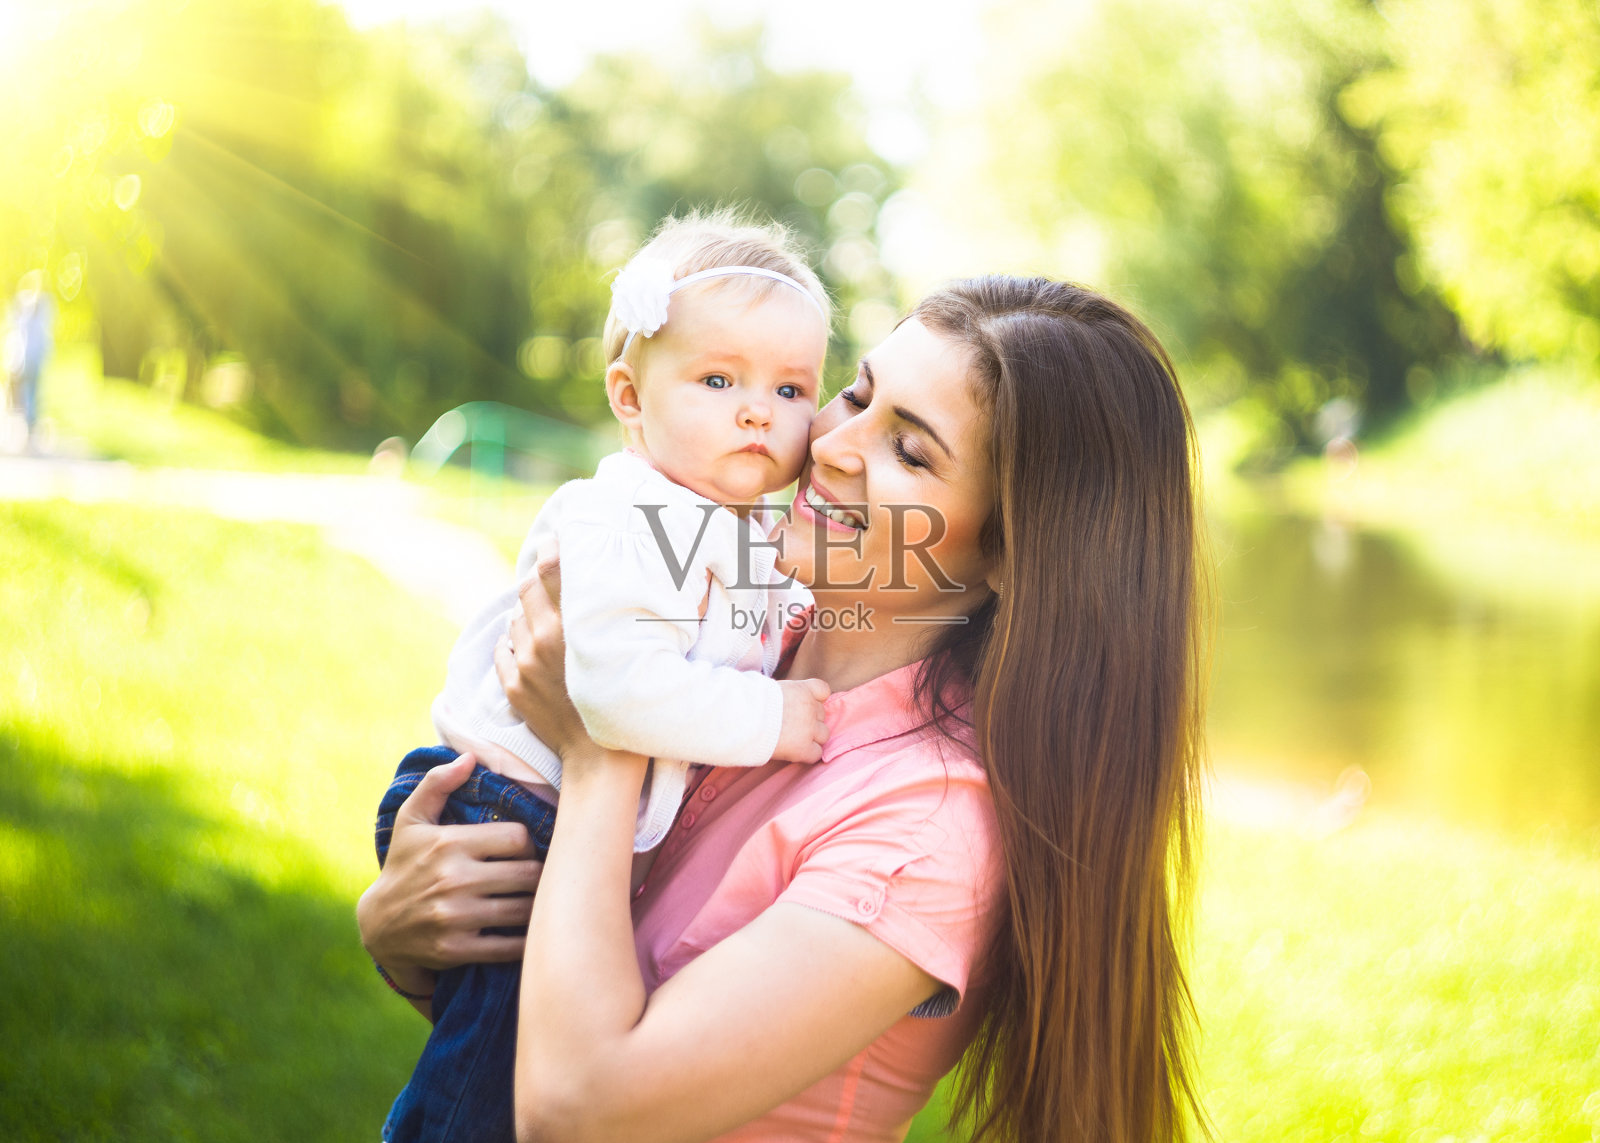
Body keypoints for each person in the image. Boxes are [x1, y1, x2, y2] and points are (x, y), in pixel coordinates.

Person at [359, 275, 1209, 1143]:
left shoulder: (927, 829)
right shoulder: (743, 642)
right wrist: (400, 933)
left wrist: (603, 739)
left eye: (910, 453)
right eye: (858, 393)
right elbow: (530, 1024)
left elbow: (578, 1105)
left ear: (1012, 551)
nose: (835, 443)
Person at [372, 213, 836, 1142]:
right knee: (489, 1080)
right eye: (718, 379)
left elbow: (760, 615)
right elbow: (618, 696)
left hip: (547, 811)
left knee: (507, 1043)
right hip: (508, 809)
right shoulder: (625, 515)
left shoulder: (718, 522)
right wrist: (775, 718)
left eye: (791, 389)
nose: (758, 410)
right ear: (629, 396)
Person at [4, 271, 53, 450]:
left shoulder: (40, 304)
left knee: (30, 393)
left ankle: (29, 429)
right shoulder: (27, 303)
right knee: (27, 394)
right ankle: (28, 429)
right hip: (26, 357)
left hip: (33, 358)